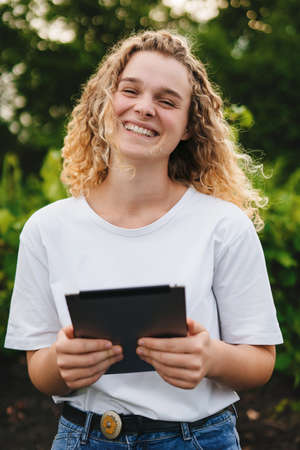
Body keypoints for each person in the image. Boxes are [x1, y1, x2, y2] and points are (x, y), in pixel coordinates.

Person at [5, 30, 283, 449]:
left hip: (198, 439)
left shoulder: (224, 226)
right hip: (83, 437)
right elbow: (39, 370)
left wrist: (211, 357)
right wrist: (64, 362)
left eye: (167, 101)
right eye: (130, 90)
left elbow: (261, 361)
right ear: (105, 102)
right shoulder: (47, 229)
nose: (144, 108)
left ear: (189, 126)